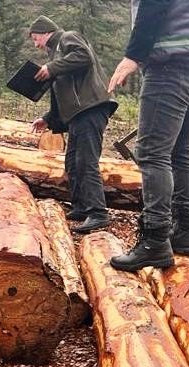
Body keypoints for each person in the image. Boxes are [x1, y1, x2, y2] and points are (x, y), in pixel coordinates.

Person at [107, 0, 189, 271]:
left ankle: (155, 239)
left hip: (171, 63)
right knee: (180, 152)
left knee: (151, 153)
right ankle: (183, 230)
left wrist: (133, 55)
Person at [29, 16, 118, 234]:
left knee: (86, 161)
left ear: (46, 32)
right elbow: (63, 94)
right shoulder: (56, 56)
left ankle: (98, 213)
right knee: (73, 162)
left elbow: (84, 57)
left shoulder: (68, 38)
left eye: (35, 38)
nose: (36, 44)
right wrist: (48, 118)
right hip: (78, 114)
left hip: (91, 108)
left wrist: (52, 67)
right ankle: (81, 207)